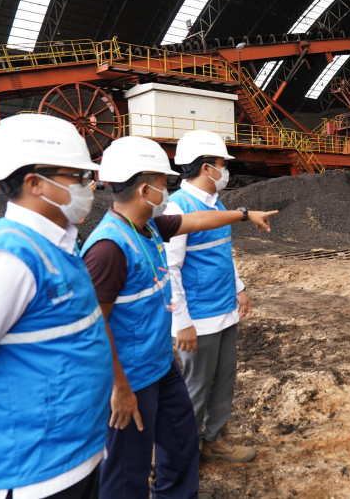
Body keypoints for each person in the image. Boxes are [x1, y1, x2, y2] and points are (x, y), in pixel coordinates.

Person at [80, 136, 275, 498]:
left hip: (159, 365)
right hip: (131, 377)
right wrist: (119, 388)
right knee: (126, 470)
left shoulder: (149, 227)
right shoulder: (108, 249)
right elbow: (93, 327)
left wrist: (245, 215)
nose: (167, 190)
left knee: (181, 440)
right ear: (144, 189)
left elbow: (199, 219)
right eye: (162, 183)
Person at [0, 114, 112, 498]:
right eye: (79, 178)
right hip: (31, 476)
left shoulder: (58, 244)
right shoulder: (8, 260)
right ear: (36, 183)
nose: (90, 186)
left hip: (72, 459)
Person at [165, 130, 254, 462]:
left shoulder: (216, 204)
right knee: (196, 388)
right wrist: (181, 322)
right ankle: (181, 458)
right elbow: (169, 269)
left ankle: (212, 440)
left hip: (223, 310)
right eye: (221, 164)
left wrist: (239, 288)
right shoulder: (178, 208)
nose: (224, 170)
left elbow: (222, 253)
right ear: (206, 167)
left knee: (223, 380)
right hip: (198, 319)